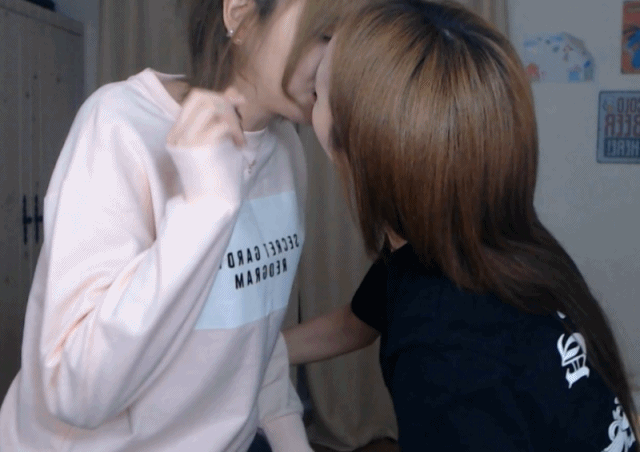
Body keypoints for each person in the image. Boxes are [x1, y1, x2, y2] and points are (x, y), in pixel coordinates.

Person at [285, 0, 640, 450]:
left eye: (319, 91)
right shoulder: (473, 236)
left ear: (358, 146)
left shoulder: (446, 355)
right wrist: (250, 352)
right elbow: (357, 323)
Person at [0, 0, 340, 450]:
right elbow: (72, 392)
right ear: (239, 13)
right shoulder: (121, 124)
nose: (340, 62)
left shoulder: (285, 152)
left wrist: (290, 438)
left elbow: (254, 337)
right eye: (324, 34)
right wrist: (204, 211)